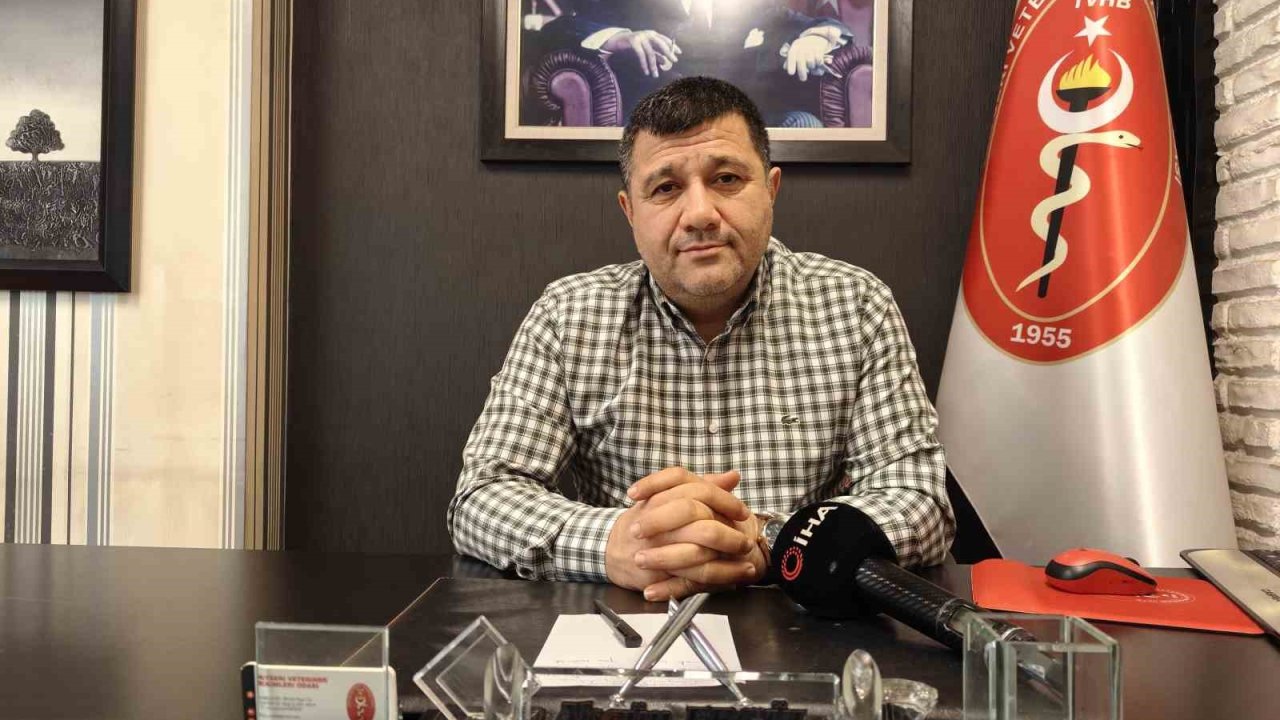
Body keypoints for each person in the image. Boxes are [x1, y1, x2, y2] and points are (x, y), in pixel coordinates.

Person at [449, 77, 954, 601]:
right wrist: (616, 542)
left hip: (803, 620)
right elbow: (482, 496)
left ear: (771, 190)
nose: (699, 215)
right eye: (665, 188)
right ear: (630, 211)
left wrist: (769, 541)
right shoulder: (568, 316)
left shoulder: (856, 306)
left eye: (727, 179)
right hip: (627, 622)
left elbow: (921, 501)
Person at [540, 0, 852, 123]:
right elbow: (559, 29)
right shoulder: (631, 4)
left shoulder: (749, 7)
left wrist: (815, 38)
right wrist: (621, 37)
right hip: (662, 123)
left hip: (739, 123)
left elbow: (825, 26)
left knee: (805, 124)